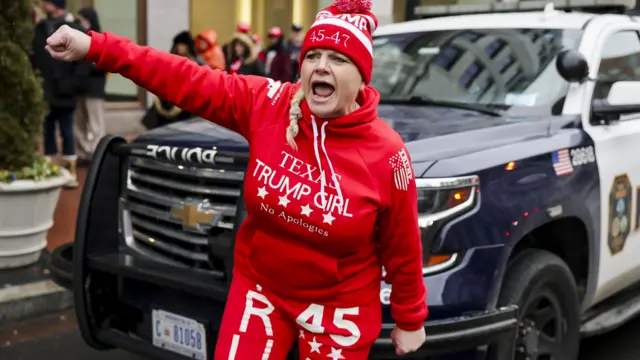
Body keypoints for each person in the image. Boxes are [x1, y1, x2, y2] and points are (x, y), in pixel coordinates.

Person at [44, 0, 428, 358]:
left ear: (362, 77)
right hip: (262, 288)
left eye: (338, 59)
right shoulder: (269, 103)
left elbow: (403, 246)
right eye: (313, 55)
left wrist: (410, 319)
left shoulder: (387, 154)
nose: (321, 66)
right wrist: (96, 47)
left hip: (339, 306)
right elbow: (184, 78)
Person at [31, 0, 87, 188]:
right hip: (45, 91)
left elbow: (83, 62)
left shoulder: (74, 28)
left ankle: (70, 171)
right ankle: (50, 169)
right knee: (47, 130)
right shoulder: (39, 29)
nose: (43, 4)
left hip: (65, 92)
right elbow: (34, 58)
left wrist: (70, 86)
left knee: (67, 130)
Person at [141, 31, 204, 130]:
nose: (180, 47)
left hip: (187, 99)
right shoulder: (171, 61)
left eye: (182, 45)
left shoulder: (196, 64)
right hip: (170, 95)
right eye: (178, 44)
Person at [73, 7, 106, 166]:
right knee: (79, 123)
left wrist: (87, 67)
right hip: (79, 87)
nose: (81, 22)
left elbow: (104, 64)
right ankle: (83, 153)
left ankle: (97, 154)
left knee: (95, 123)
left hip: (94, 88)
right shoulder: (77, 37)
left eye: (83, 19)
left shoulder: (100, 39)